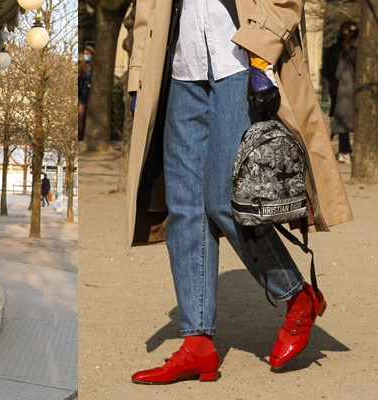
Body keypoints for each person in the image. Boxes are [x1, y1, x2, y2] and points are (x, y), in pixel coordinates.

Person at [126, 0, 353, 384]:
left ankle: (298, 296)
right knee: (184, 210)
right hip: (182, 67)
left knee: (225, 200)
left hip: (240, 60)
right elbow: (144, 10)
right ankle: (197, 344)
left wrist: (263, 58)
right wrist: (137, 76)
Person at [330, 28, 358, 164]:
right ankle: (349, 152)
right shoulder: (359, 54)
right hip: (355, 92)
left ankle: (343, 151)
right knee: (355, 124)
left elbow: (337, 74)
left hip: (343, 91)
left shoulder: (343, 53)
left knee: (343, 126)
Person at [322, 21, 358, 117]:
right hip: (342, 85)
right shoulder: (350, 51)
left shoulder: (331, 50)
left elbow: (325, 70)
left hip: (335, 84)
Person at [78, 45, 94, 141]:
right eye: (84, 54)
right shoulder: (82, 66)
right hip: (82, 92)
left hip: (89, 92)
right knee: (80, 114)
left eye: (87, 54)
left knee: (85, 114)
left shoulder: (93, 67)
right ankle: (80, 132)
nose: (85, 56)